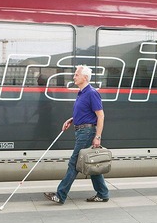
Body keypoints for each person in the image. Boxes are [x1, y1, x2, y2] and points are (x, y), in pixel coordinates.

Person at [44, 65, 109, 204]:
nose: (74, 77)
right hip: (80, 131)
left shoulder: (91, 93)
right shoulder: (81, 93)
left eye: (76, 75)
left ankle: (60, 195)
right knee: (91, 163)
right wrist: (72, 119)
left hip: (87, 132)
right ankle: (103, 193)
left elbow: (100, 116)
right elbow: (86, 112)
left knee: (74, 163)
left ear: (85, 77)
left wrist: (97, 136)